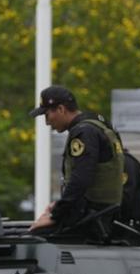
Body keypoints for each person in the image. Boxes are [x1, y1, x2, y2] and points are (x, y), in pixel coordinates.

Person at [28, 85, 124, 240]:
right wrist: (60, 205)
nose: (47, 122)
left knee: (33, 237)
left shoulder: (84, 132)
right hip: (102, 214)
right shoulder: (99, 124)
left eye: (47, 115)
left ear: (61, 109)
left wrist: (56, 214)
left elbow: (81, 179)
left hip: (91, 218)